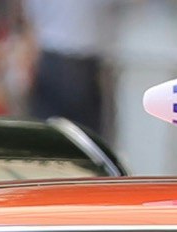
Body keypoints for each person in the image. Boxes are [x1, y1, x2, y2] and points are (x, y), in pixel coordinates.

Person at [22, 0, 114, 134]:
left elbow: (31, 18)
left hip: (55, 57)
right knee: (84, 136)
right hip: (78, 59)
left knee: (48, 131)